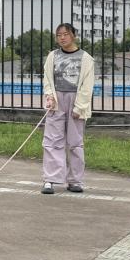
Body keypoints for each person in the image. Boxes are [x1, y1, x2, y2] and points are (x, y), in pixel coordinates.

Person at [41, 22, 95, 194]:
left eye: (65, 34)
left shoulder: (86, 58)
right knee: (52, 140)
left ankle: (75, 180)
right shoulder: (52, 56)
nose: (62, 38)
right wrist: (49, 96)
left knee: (75, 142)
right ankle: (50, 179)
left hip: (76, 100)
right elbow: (47, 79)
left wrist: (80, 107)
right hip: (57, 100)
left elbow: (87, 85)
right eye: (59, 35)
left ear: (73, 35)